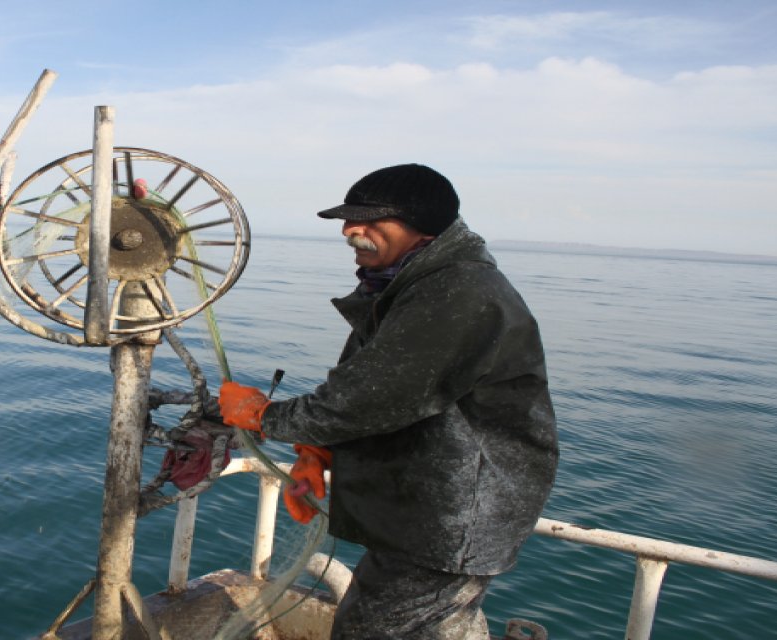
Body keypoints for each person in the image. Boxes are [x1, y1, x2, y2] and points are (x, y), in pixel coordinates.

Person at [217, 164, 558, 639]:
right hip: (427, 511)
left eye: (370, 219)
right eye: (348, 220)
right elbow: (381, 386)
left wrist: (262, 415)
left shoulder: (458, 290)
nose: (351, 231)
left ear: (424, 223)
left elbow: (371, 398)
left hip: (452, 517)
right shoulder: (412, 284)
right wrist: (319, 452)